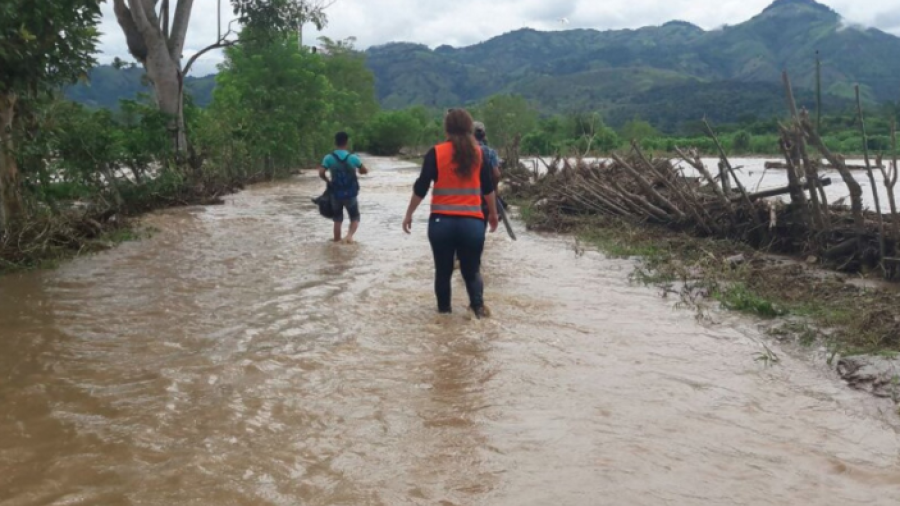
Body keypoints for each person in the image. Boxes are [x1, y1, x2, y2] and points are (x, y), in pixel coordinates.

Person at [403, 109, 499, 318]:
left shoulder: (435, 153)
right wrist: (492, 214)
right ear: (468, 127)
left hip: (441, 223)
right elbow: (488, 188)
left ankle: (444, 319)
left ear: (446, 128)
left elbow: (421, 187)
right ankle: (479, 312)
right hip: (472, 223)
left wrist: (409, 213)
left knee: (443, 273)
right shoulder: (479, 153)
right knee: (472, 272)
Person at [319, 131, 368, 243]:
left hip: (336, 193)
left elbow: (321, 172)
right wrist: (361, 171)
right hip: (350, 193)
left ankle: (336, 241)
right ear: (347, 142)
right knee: (355, 217)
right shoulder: (353, 158)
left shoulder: (328, 158)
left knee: (337, 219)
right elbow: (364, 170)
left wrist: (328, 180)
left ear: (335, 142)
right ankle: (349, 236)